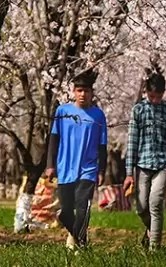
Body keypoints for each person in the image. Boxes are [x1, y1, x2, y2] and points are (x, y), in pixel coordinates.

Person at [45, 70, 107, 250]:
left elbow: (103, 145)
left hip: (88, 168)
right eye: (79, 90)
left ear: (91, 93)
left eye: (86, 91)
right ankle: (79, 238)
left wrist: (101, 170)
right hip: (65, 168)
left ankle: (79, 244)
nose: (82, 94)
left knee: (83, 207)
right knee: (65, 212)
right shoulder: (62, 111)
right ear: (73, 92)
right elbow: (53, 139)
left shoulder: (98, 115)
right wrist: (50, 165)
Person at [123, 67, 166, 250]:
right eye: (151, 95)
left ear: (163, 93)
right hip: (142, 164)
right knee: (141, 207)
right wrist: (129, 173)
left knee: (155, 203)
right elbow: (132, 142)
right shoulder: (138, 110)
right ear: (146, 92)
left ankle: (155, 249)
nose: (154, 99)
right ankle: (151, 230)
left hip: (163, 164)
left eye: (158, 95)